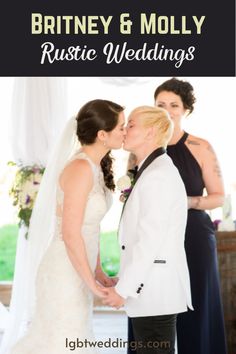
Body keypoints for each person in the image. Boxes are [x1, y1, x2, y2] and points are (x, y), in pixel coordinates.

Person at [2, 99, 126, 354]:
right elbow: (70, 233)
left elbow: (90, 226)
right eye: (122, 127)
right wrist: (91, 285)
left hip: (80, 266)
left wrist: (98, 268)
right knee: (60, 340)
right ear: (103, 135)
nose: (126, 132)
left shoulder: (96, 167)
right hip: (64, 271)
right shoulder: (81, 168)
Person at [103, 106, 193, 354]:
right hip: (148, 292)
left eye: (131, 124)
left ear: (150, 133)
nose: (124, 129)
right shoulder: (150, 171)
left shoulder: (159, 175)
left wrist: (122, 290)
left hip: (156, 293)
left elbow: (149, 241)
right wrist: (125, 279)